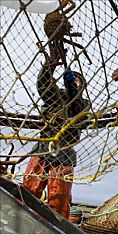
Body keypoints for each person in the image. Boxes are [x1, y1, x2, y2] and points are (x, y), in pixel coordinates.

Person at [23, 60, 89, 219]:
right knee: (28, 192)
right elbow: (44, 86)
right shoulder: (56, 96)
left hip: (64, 158)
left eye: (78, 82)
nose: (75, 83)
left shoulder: (84, 104)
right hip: (42, 153)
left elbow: (77, 107)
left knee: (59, 200)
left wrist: (72, 86)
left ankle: (54, 232)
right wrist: (49, 65)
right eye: (74, 80)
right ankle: (18, 226)